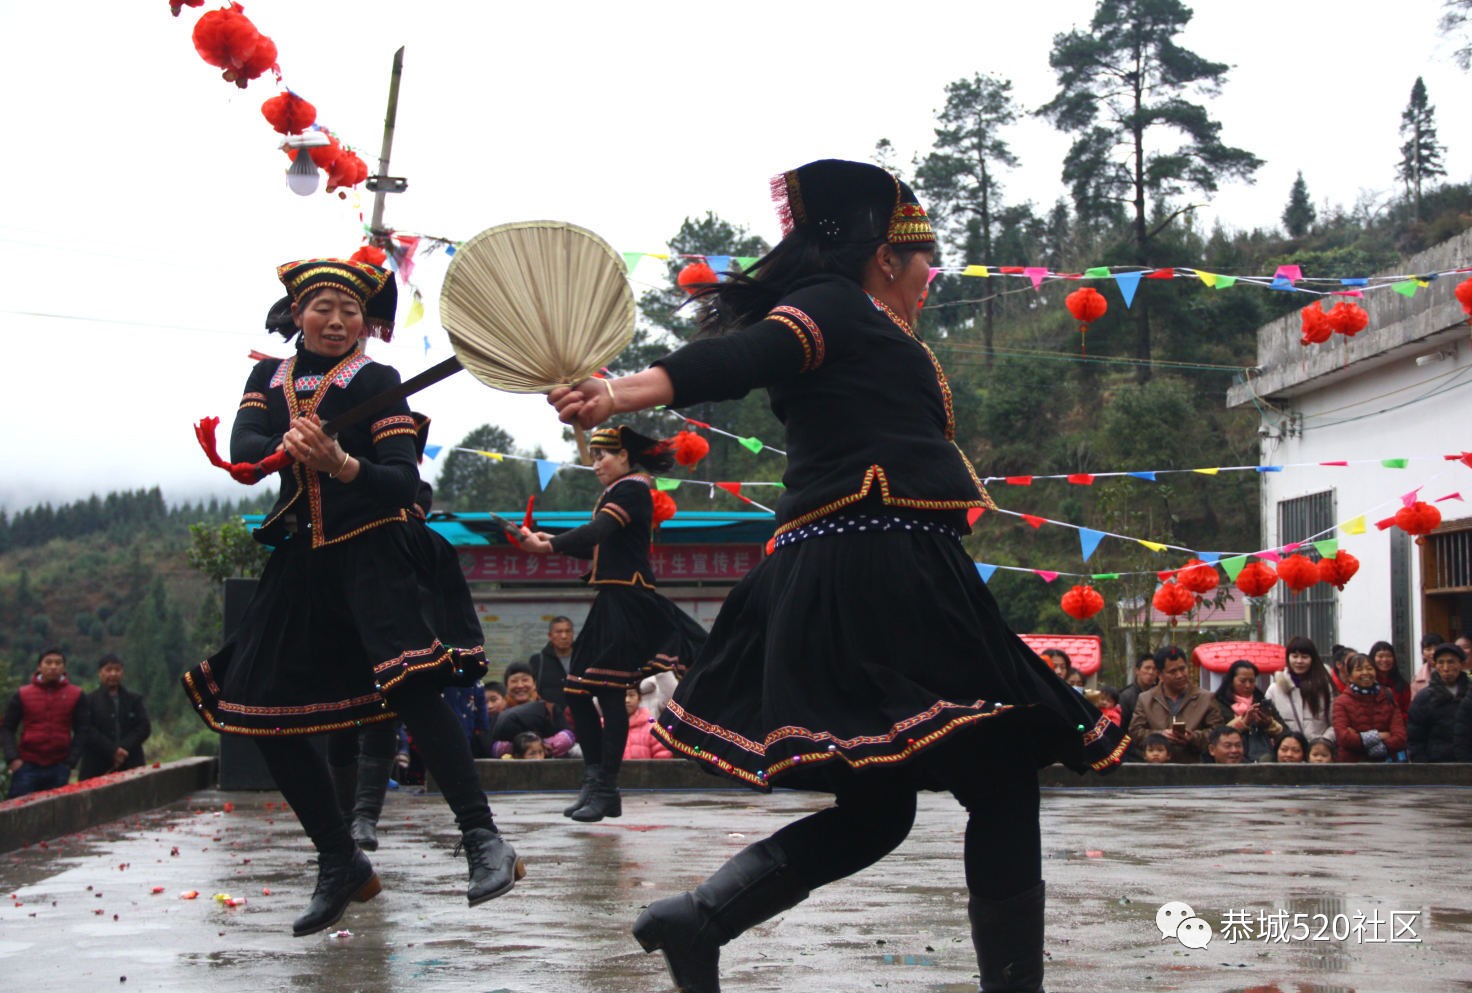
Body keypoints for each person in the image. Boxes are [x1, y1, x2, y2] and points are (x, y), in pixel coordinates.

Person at [548, 158, 1125, 993]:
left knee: (881, 810)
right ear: (886, 256)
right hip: (868, 560)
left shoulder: (876, 327)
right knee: (1000, 776)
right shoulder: (832, 306)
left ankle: (698, 918)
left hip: (881, 559)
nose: (933, 275)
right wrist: (621, 394)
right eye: (924, 257)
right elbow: (744, 354)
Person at [180, 258, 521, 937]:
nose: (336, 321)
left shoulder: (377, 380)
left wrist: (340, 463)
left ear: (368, 322)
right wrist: (287, 446)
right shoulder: (267, 379)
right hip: (301, 563)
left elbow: (398, 482)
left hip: (375, 551)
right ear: (297, 313)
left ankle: (483, 838)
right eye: (323, 307)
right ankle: (339, 857)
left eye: (350, 311)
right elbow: (245, 451)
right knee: (255, 711)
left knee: (413, 691)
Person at [516, 425, 708, 823]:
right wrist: (546, 539)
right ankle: (596, 783)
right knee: (577, 691)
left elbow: (598, 531)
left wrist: (549, 544)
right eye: (593, 456)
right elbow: (594, 545)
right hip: (612, 600)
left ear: (624, 456)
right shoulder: (618, 492)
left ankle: (605, 788)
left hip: (629, 601)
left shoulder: (633, 488)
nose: (597, 462)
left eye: (603, 455)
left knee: (606, 690)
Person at [2, 648, 87, 798]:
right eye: (48, 662)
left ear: (64, 668)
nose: (53, 667)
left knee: (56, 813)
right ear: (39, 667)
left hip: (59, 764)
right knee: (19, 813)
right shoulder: (23, 694)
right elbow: (7, 728)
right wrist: (13, 759)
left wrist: (70, 762)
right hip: (26, 765)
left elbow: (82, 730)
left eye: (58, 663)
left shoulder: (75, 694)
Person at [1128, 646, 1222, 763]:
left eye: (1182, 669)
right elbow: (1135, 732)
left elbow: (1218, 733)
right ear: (1160, 674)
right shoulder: (1146, 699)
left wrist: (1192, 737)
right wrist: (1160, 736)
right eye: (1172, 672)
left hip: (1194, 767)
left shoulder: (1206, 698)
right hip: (1156, 770)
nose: (1180, 675)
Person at [77, 653, 151, 781]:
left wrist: (123, 748)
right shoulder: (88, 701)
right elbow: (86, 730)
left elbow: (144, 727)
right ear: (100, 673)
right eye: (108, 670)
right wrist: (112, 750)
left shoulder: (134, 700)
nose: (113, 674)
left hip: (130, 761)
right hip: (97, 764)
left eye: (117, 670)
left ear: (122, 672)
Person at [482, 661, 576, 759]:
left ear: (534, 683)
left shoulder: (550, 709)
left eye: (525, 680)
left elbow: (568, 736)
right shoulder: (499, 714)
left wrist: (546, 745)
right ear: (506, 686)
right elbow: (490, 745)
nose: (520, 685)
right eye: (514, 681)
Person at [1332, 652, 1407, 763]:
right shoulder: (1341, 702)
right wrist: (1379, 735)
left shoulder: (1387, 696)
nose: (1365, 673)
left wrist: (1376, 748)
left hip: (1385, 766)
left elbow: (1400, 737)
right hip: (1351, 766)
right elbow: (1344, 738)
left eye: (1369, 668)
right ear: (1350, 677)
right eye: (1359, 669)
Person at [1210, 659, 1284, 763]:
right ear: (1231, 680)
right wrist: (1244, 722)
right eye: (1243, 681)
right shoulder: (1218, 703)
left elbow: (1284, 733)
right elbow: (1215, 734)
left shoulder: (1263, 703)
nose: (1248, 685)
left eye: (1252, 681)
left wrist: (1269, 723)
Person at [1265, 637, 1336, 744]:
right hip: (1287, 753)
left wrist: (1323, 742)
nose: (1299, 661)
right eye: (1295, 656)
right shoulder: (1274, 690)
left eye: (1304, 657)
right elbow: (1268, 722)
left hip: (1318, 754)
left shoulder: (1325, 687)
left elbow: (1335, 723)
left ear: (1313, 659)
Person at [1406, 643, 1469, 762]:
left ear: (1461, 664)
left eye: (1451, 662)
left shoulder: (1469, 695)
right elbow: (1415, 738)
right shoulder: (1424, 698)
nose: (1445, 668)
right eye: (1441, 662)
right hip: (1436, 765)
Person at [527, 616, 576, 711]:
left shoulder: (582, 658)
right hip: (550, 717)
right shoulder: (538, 661)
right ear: (550, 635)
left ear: (573, 634)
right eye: (559, 632)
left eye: (568, 631)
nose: (564, 636)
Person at [623, 686, 674, 760]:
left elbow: (663, 758)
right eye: (623, 696)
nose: (627, 700)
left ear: (639, 698)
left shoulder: (652, 728)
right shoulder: (604, 726)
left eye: (631, 695)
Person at [1367, 640, 1412, 719]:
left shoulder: (1402, 685)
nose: (1385, 660)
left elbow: (1407, 711)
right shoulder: (1367, 684)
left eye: (1388, 656)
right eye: (1380, 656)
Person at [1116, 652, 1159, 734]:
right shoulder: (1126, 696)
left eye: (1155, 669)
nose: (1151, 672)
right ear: (1137, 670)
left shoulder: (1160, 694)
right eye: (1147, 668)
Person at [1408, 632, 1446, 701]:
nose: (1433, 652)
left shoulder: (1454, 671)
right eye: (1428, 649)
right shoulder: (1417, 679)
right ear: (1423, 654)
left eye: (1436, 648)